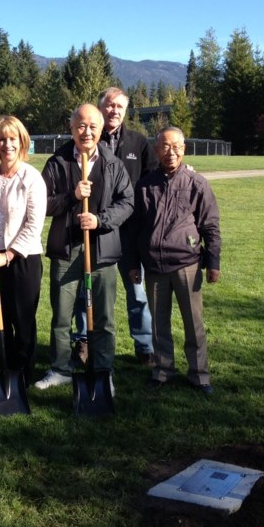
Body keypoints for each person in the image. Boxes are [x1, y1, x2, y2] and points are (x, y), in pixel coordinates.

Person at [35, 104, 133, 392]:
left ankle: (103, 371)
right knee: (62, 315)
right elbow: (42, 203)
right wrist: (71, 196)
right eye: (81, 125)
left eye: (92, 126)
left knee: (103, 316)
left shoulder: (113, 163)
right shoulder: (58, 162)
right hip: (66, 249)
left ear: (101, 130)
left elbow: (127, 202)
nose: (86, 131)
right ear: (71, 128)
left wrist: (100, 220)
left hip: (101, 250)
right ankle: (60, 368)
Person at [127, 126, 221, 394]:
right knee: (159, 325)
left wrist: (213, 263)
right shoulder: (145, 186)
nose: (172, 152)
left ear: (184, 149)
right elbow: (134, 228)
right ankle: (162, 370)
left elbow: (211, 226)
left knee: (194, 324)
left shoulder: (197, 184)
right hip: (154, 266)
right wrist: (134, 263)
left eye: (177, 146)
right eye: (166, 147)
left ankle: (199, 375)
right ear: (156, 151)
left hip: (187, 265)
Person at [0, 116, 46, 375]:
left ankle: (22, 372)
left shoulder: (31, 178)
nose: (7, 144)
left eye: (12, 139)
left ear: (21, 141)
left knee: (21, 319)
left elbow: (34, 225)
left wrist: (8, 255)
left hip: (22, 259)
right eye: (2, 139)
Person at [98, 87, 158, 366]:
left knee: (137, 290)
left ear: (125, 111)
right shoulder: (88, 138)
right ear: (101, 108)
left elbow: (154, 177)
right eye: (109, 106)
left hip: (130, 231)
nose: (114, 111)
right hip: (97, 230)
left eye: (119, 107)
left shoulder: (138, 142)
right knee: (93, 289)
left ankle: (144, 346)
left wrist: (185, 170)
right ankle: (85, 342)